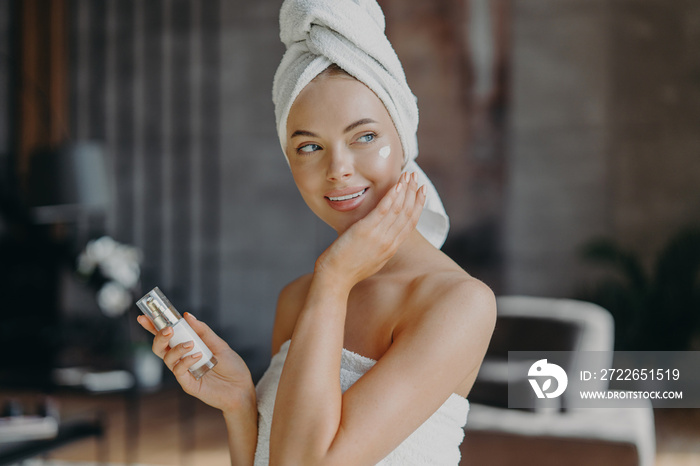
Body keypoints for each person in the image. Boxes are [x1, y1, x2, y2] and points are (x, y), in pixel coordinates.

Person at [138, 0, 496, 464]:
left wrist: (334, 279)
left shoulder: (457, 302)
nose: (338, 171)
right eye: (309, 146)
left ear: (404, 140)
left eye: (364, 137)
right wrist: (241, 405)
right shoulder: (299, 297)